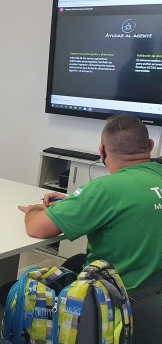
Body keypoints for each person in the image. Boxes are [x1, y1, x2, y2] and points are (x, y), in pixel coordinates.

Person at [18, 114, 162, 296]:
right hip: (153, 293)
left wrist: (34, 209)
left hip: (111, 298)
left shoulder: (104, 189)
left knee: (9, 290)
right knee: (75, 261)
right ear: (150, 145)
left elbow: (36, 228)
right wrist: (76, 203)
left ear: (101, 150)